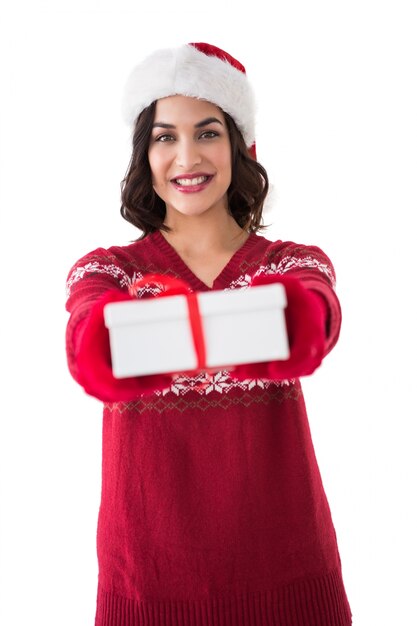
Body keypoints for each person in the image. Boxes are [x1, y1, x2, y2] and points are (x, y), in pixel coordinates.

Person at [65, 42, 352, 626]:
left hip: (287, 582)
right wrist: (232, 330)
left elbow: (314, 316)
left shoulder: (292, 263)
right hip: (147, 589)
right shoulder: (109, 271)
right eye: (165, 136)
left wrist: (276, 326)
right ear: (144, 153)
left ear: (240, 146)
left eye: (208, 132)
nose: (187, 155)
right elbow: (89, 344)